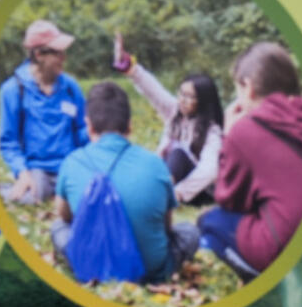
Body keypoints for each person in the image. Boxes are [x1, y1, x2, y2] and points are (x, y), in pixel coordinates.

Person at [52, 81, 197, 284]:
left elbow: (65, 216)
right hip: (150, 270)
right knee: (190, 231)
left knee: (58, 227)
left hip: (90, 264)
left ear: (88, 125)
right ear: (129, 125)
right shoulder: (156, 164)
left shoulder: (71, 162)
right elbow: (166, 227)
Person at [198, 42, 302, 282]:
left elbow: (228, 198)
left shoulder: (246, 130)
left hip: (283, 248)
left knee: (210, 220)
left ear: (248, 88)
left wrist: (229, 135)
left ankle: (253, 276)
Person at [114, 34, 223, 206]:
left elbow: (209, 171)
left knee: (177, 153)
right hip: (169, 178)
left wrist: (179, 193)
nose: (182, 99)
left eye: (189, 97)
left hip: (194, 191)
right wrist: (130, 67)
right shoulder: (175, 112)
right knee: (144, 157)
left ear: (203, 101)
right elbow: (153, 90)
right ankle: (134, 192)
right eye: (181, 93)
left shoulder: (212, 131)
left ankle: (156, 195)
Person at [0, 20, 87, 204]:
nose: (64, 58)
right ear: (38, 55)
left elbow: (82, 129)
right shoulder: (13, 90)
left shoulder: (70, 88)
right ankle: (6, 190)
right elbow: (9, 142)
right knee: (31, 198)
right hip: (38, 169)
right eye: (58, 53)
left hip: (70, 166)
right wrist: (22, 173)